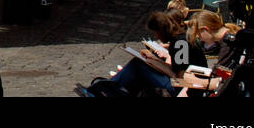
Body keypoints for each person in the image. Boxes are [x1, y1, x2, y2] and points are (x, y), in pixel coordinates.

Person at [75, 11, 205, 97]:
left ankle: (105, 90)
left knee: (138, 66)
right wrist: (154, 61)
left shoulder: (180, 44)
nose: (156, 36)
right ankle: (108, 88)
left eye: (156, 33)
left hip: (186, 87)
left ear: (161, 30)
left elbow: (180, 77)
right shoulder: (179, 40)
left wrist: (155, 64)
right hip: (183, 82)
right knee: (140, 63)